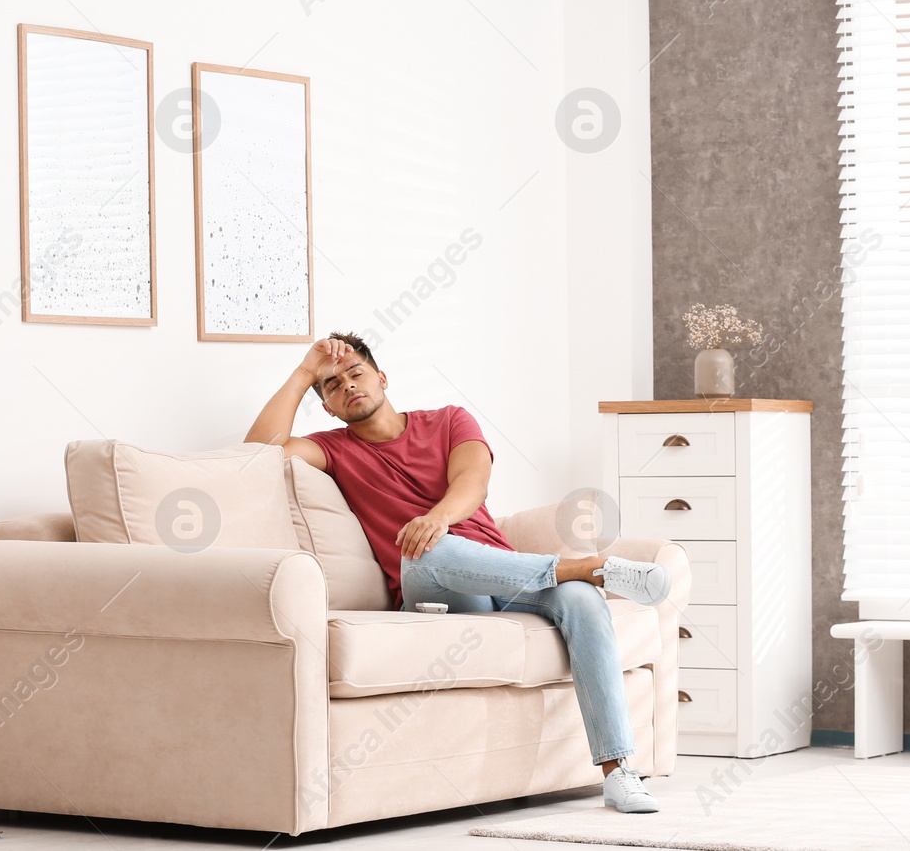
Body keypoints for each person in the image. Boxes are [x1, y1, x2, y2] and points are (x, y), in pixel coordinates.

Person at [245, 331, 674, 814]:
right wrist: (305, 372)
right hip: (435, 587)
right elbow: (257, 453)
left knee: (582, 601)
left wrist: (440, 517)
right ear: (326, 405)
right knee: (422, 551)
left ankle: (618, 774)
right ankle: (586, 568)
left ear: (382, 377)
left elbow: (473, 481)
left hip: (499, 570)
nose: (347, 385)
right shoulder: (332, 449)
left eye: (356, 373)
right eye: (332, 385)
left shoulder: (449, 420)